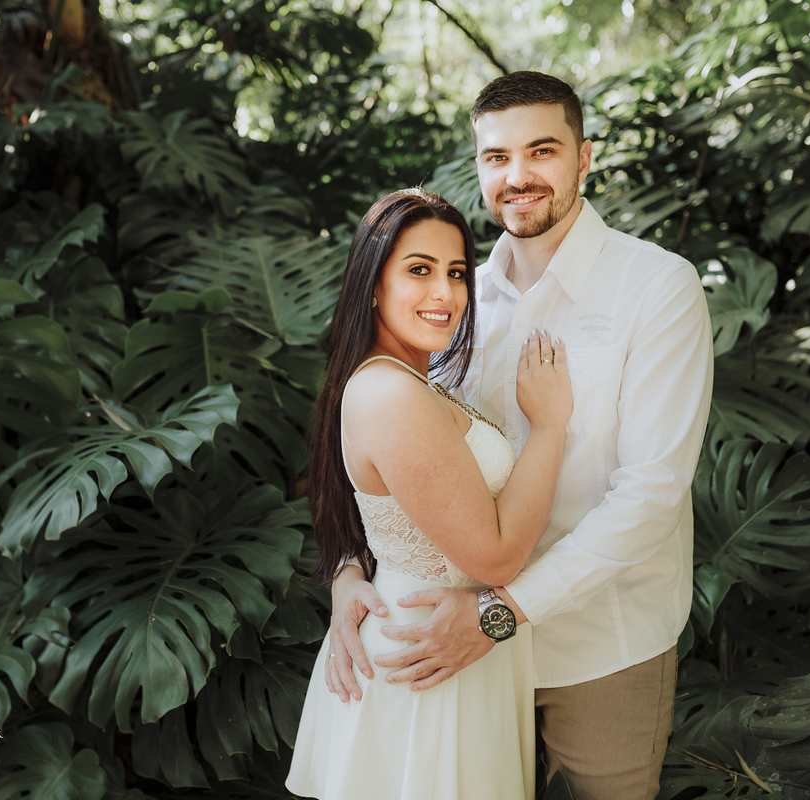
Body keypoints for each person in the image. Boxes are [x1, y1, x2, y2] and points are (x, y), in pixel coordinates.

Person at [325, 73, 715, 800]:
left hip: (600, 644)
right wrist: (348, 569)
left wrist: (501, 613)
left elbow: (653, 493)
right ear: (478, 168)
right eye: (497, 157)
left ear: (584, 158)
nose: (519, 176)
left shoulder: (657, 288)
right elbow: (384, 450)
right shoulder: (451, 296)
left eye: (542, 151)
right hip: (452, 648)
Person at [285, 187, 574, 800]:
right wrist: (549, 428)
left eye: (456, 273)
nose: (444, 294)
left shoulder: (412, 380)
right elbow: (495, 558)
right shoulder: (391, 394)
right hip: (428, 657)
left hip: (444, 643)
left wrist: (344, 572)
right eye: (419, 270)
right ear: (372, 283)